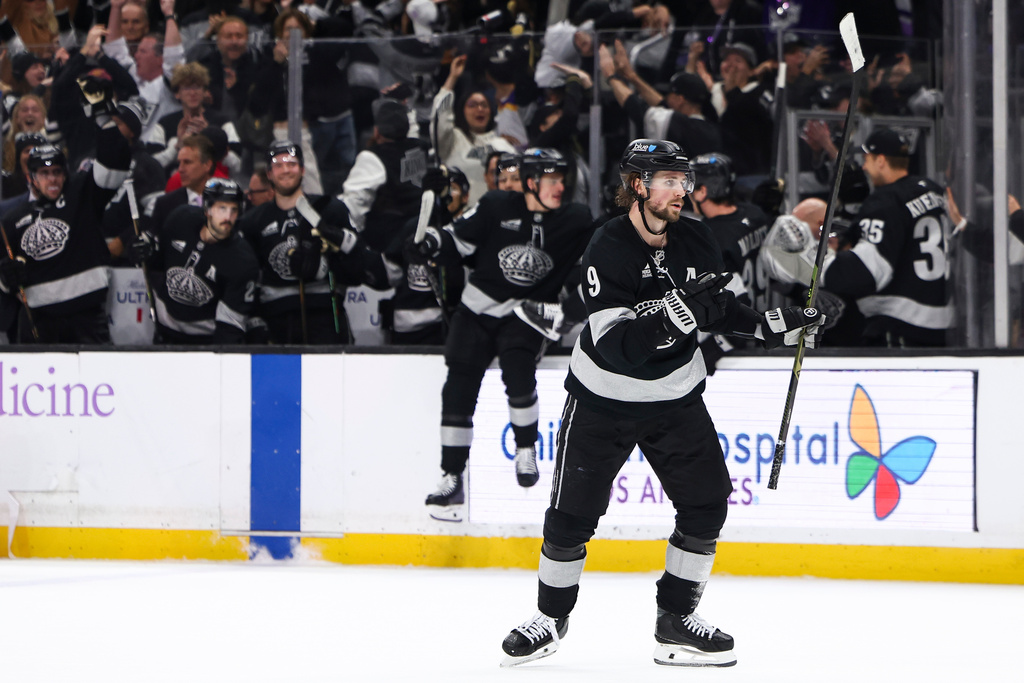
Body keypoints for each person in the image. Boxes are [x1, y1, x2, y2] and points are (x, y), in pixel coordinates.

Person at [499, 139, 824, 669]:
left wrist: (783, 324)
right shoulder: (607, 246)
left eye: (684, 180)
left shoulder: (696, 237)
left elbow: (722, 311)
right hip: (603, 397)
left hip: (675, 397)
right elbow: (616, 347)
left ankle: (675, 623)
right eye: (669, 181)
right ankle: (549, 620)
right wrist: (676, 314)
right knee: (571, 517)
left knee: (707, 506)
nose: (682, 190)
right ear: (637, 186)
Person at [414, 148, 595, 522]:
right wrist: (432, 240)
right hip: (477, 310)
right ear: (531, 182)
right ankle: (452, 476)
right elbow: (455, 240)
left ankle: (525, 449)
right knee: (459, 385)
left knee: (518, 367)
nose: (560, 187)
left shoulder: (576, 219)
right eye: (552, 180)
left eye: (562, 180)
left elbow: (594, 264)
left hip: (526, 314)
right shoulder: (496, 205)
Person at [760, 127, 954, 347]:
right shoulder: (934, 191)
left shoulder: (886, 201)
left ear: (880, 160)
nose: (864, 166)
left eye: (867, 159)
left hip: (900, 325)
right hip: (943, 323)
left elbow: (866, 273)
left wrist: (806, 262)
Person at [0, 107, 131, 343]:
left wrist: (104, 119)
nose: (52, 179)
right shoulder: (11, 221)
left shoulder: (83, 196)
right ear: (31, 178)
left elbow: (116, 162)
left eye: (57, 172)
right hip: (38, 323)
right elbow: (5, 288)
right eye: (44, 173)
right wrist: (5, 279)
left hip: (87, 320)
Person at [238, 140, 389, 344]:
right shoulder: (253, 221)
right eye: (279, 165)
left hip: (326, 317)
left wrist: (329, 258)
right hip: (276, 322)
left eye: (291, 164)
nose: (286, 170)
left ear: (302, 170)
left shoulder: (330, 209)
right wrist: (255, 322)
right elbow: (246, 277)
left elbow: (361, 265)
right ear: (269, 174)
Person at [126, 178, 260, 343]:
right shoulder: (180, 219)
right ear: (207, 209)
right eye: (222, 208)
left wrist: (218, 360)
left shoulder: (243, 261)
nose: (228, 217)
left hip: (204, 341)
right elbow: (157, 263)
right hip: (163, 330)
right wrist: (143, 250)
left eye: (234, 210)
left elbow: (230, 328)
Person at [599, 40, 722, 159]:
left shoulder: (681, 125)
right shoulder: (708, 124)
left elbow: (637, 109)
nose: (666, 98)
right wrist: (631, 76)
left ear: (680, 100)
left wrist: (611, 77)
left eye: (670, 95)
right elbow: (662, 104)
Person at [340, 98, 426, 252]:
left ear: (376, 131)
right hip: (420, 235)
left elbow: (354, 206)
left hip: (387, 247)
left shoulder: (373, 158)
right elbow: (411, 131)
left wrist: (353, 243)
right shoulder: (418, 147)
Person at [430, 53, 516, 205]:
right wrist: (452, 78)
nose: (480, 109)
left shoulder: (502, 145)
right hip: (463, 216)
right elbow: (439, 119)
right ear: (462, 111)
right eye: (473, 105)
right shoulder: (453, 140)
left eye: (484, 105)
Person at [145, 133, 216, 234]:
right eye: (179, 163)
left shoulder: (226, 201)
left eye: (187, 162)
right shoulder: (165, 204)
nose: (180, 169)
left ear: (207, 165)